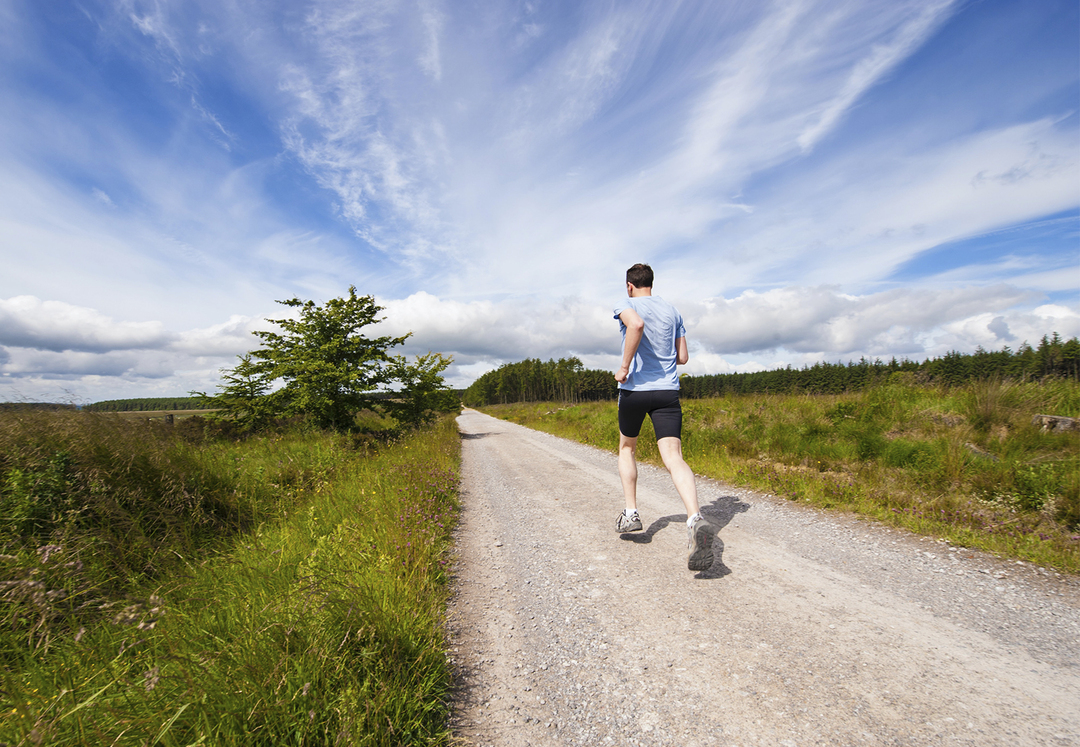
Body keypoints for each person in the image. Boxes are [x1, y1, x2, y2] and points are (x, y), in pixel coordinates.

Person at [613, 263, 714, 571]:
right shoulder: (672, 311)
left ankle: (631, 514)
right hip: (668, 392)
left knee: (627, 448)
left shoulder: (626, 304)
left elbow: (636, 325)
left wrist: (625, 367)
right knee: (673, 457)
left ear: (630, 285)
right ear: (651, 284)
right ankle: (695, 517)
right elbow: (682, 357)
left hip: (634, 391)